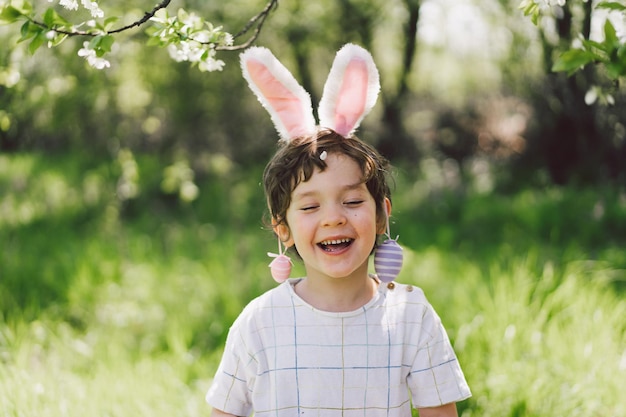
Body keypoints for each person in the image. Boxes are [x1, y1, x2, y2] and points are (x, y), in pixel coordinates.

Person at [206, 44, 471, 417]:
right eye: (311, 206)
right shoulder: (260, 322)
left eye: (351, 201)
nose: (333, 219)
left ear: (382, 215)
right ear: (283, 229)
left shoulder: (412, 314)